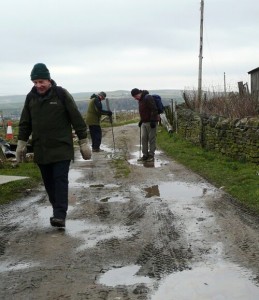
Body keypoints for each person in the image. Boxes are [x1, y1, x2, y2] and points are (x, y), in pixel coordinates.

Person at [16, 63, 91, 228]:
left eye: (41, 81)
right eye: (35, 82)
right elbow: (25, 123)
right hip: (41, 149)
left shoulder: (61, 95)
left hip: (61, 148)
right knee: (49, 182)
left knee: (60, 180)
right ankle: (57, 208)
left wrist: (83, 141)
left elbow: (76, 118)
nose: (38, 85)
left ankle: (59, 215)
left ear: (49, 80)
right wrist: (21, 143)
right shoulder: (31, 97)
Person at [131, 88, 158, 162]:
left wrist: (153, 120)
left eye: (136, 96)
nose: (135, 98)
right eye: (134, 97)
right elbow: (144, 111)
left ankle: (151, 155)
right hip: (144, 122)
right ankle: (145, 155)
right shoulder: (140, 100)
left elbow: (154, 109)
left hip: (151, 122)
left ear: (139, 93)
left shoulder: (148, 97)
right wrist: (141, 120)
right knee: (143, 138)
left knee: (151, 139)